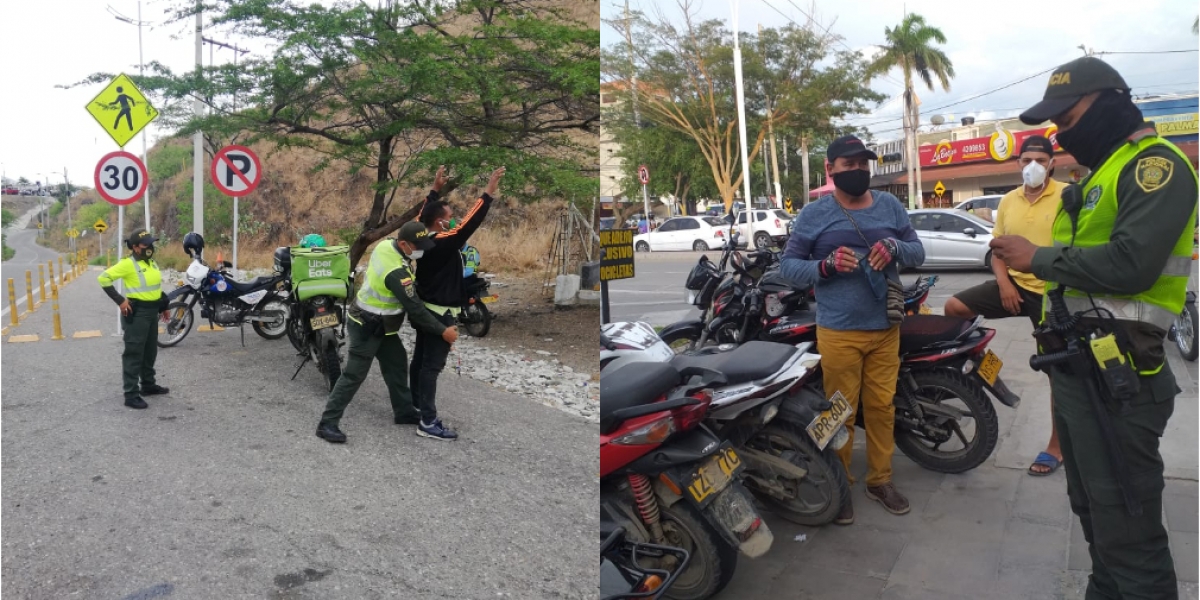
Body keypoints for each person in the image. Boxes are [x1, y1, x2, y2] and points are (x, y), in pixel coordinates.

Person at [991, 55, 1197, 599]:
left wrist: (1038, 259)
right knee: (1095, 514)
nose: (1059, 131)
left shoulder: (1157, 166)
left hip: (1123, 376)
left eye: (1067, 115)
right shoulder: (1102, 172)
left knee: (1128, 529)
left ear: (1108, 102)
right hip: (1084, 371)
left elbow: (1132, 266)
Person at [780, 135, 925, 525]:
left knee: (881, 409)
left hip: (885, 327)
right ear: (830, 170)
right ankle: (840, 486)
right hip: (839, 330)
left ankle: (880, 481)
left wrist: (895, 247)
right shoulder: (815, 214)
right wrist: (824, 267)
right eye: (849, 164)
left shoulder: (890, 206)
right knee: (838, 413)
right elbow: (788, 268)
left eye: (863, 163)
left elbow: (917, 251)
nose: (858, 170)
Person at [943, 135, 1066, 476]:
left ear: (1052, 163)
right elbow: (998, 250)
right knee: (953, 308)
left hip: (1052, 295)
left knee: (1058, 373)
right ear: (1017, 163)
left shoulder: (1068, 196)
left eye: (1041, 160)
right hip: (1013, 286)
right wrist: (1005, 283)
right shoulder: (1009, 201)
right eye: (1027, 159)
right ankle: (984, 364)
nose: (1033, 166)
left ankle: (1056, 447)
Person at [315, 222, 458, 444]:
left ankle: (404, 411)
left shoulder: (386, 246)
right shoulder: (397, 273)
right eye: (417, 245)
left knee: (397, 363)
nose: (421, 250)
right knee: (354, 374)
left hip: (383, 325)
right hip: (367, 326)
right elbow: (416, 310)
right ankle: (327, 423)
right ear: (403, 244)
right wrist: (443, 331)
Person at [413, 165, 506, 440]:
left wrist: (434, 190)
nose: (453, 221)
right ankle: (427, 422)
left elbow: (422, 217)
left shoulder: (420, 239)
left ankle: (416, 407)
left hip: (425, 308)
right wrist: (488, 192)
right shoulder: (442, 243)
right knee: (431, 366)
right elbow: (470, 224)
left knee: (420, 360)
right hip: (440, 314)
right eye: (450, 218)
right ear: (440, 223)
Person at [98, 230, 170, 409]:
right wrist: (121, 301)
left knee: (150, 351)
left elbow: (153, 287)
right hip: (138, 314)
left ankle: (148, 384)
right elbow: (104, 278)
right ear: (135, 247)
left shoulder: (150, 262)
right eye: (146, 245)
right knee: (134, 353)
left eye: (151, 243)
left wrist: (163, 306)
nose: (151, 247)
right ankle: (130, 393)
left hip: (152, 312)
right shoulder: (128, 264)